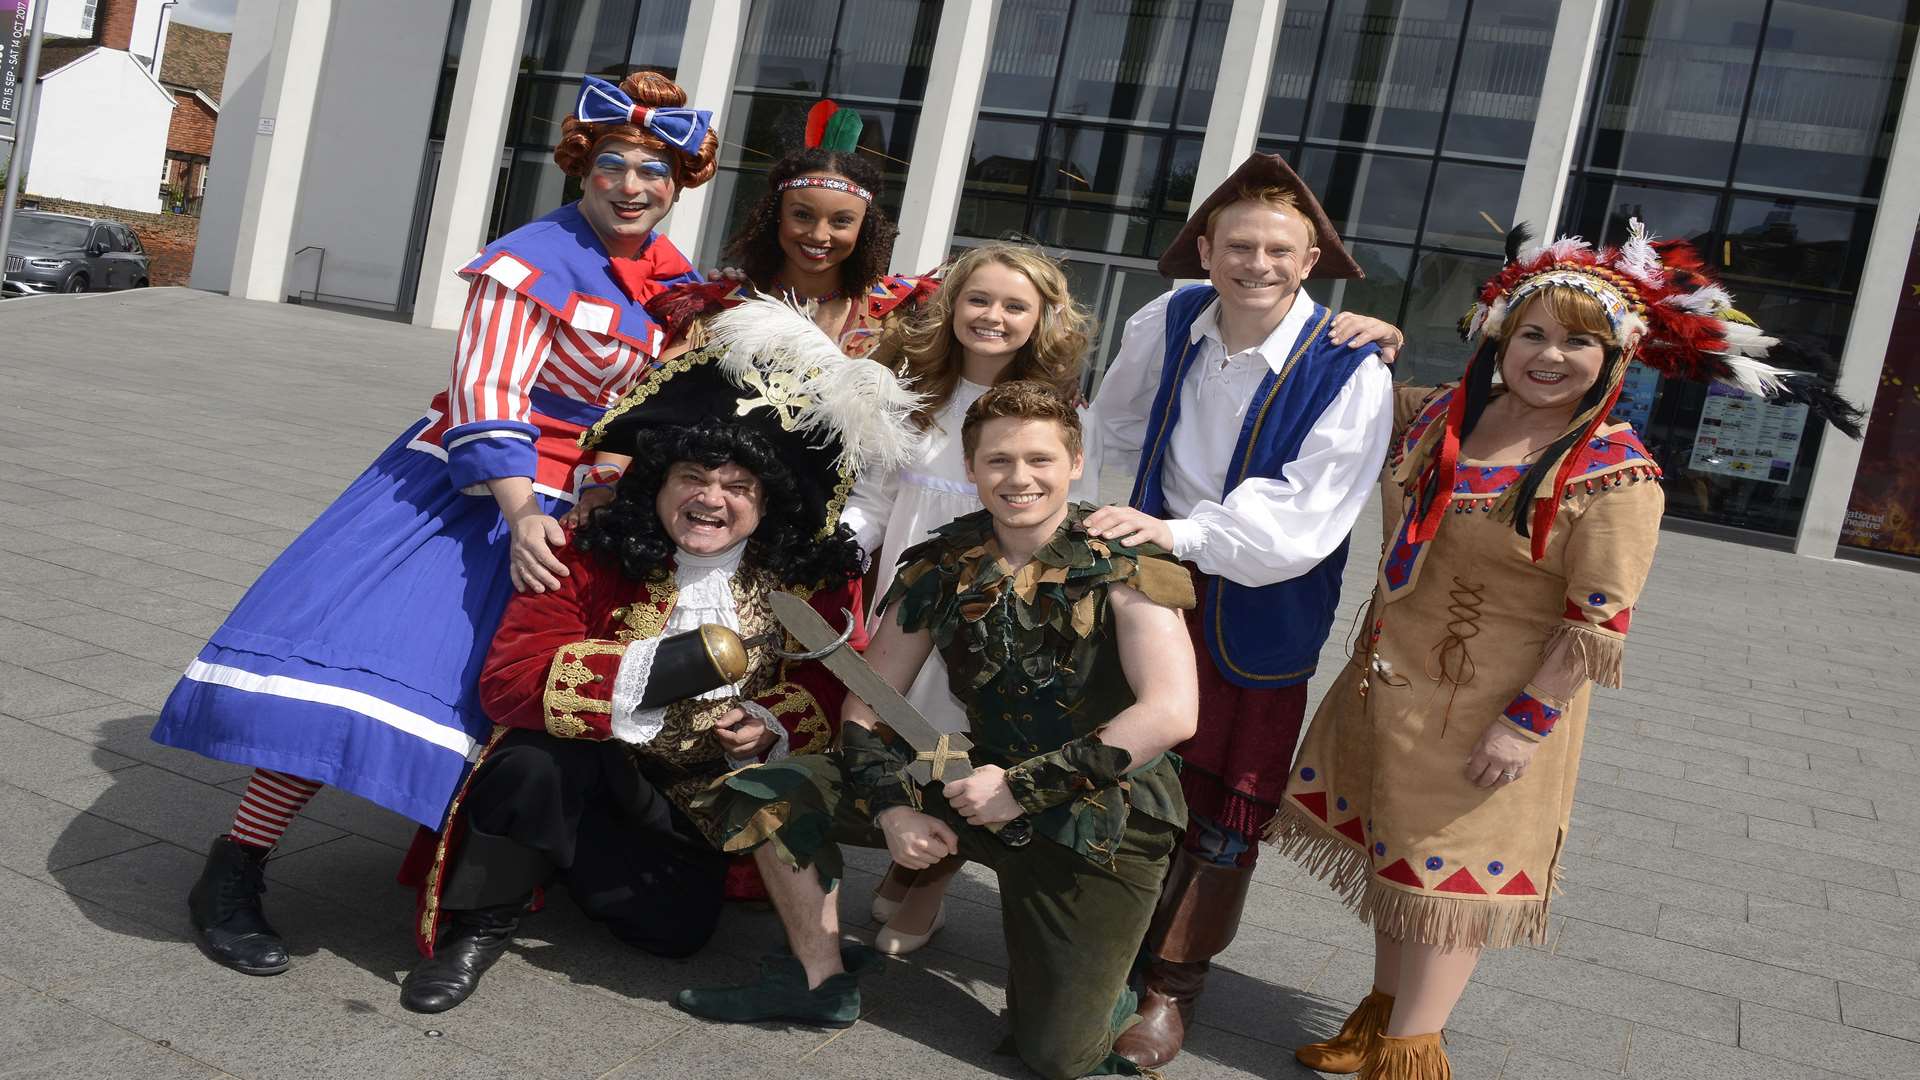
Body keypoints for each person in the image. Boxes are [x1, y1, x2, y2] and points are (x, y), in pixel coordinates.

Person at [150, 70, 718, 977]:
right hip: (475, 498)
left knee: (507, 711)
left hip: (581, 514)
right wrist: (523, 507)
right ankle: (236, 865)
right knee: (366, 672)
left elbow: (646, 407)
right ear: (582, 164)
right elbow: (485, 389)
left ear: (679, 182)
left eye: (655, 170)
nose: (633, 186)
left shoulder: (673, 281)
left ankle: (475, 886)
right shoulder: (533, 257)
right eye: (614, 162)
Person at [1268, 222, 1864, 1078]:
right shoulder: (1448, 413)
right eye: (1534, 333)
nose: (1550, 356)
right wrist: (1379, 338)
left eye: (1579, 341)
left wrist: (1524, 725)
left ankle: (1409, 1056)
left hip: (1487, 710)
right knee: (1400, 870)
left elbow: (1597, 624)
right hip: (1388, 688)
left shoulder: (1615, 473)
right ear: (1502, 338)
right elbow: (1356, 396)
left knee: (1452, 883)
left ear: (1616, 358)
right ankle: (1378, 1022)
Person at [397, 296, 923, 1013]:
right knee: (531, 762)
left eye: (737, 487)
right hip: (580, 758)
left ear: (767, 505)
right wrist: (655, 672)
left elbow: (836, 686)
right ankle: (480, 921)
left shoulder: (807, 586)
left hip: (685, 801)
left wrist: (768, 724)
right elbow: (508, 682)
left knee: (672, 933)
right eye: (693, 480)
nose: (711, 500)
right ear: (660, 484)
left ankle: (556, 859)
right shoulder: (592, 551)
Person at [677, 382, 1200, 1079]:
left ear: (1075, 462)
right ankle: (817, 979)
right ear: (973, 468)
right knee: (769, 789)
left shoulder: (1125, 562)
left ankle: (1104, 988)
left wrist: (1021, 786)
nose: (1020, 478)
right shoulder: (944, 562)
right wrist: (892, 804)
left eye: (1040, 459)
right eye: (999, 461)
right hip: (966, 783)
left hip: (1100, 813)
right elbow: (868, 701)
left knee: (1058, 1058)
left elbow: (1170, 713)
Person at [1084, 152, 1403, 1068]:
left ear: (1310, 263)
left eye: (1277, 250)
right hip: (1146, 571)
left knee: (1226, 806)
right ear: (1207, 249)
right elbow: (1112, 420)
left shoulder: (1351, 366)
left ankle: (1169, 990)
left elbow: (1301, 521)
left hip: (1259, 599)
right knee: (1123, 766)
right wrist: (1102, 516)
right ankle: (1101, 951)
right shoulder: (1170, 315)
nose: (1255, 263)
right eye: (1237, 245)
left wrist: (1171, 533)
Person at [839, 241, 1105, 953]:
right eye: (979, 298)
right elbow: (874, 495)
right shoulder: (909, 391)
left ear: (1043, 318)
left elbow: (1076, 506)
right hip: (908, 589)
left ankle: (929, 886)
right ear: (952, 303)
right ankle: (910, 850)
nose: (993, 316)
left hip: (991, 600)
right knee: (898, 725)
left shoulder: (1060, 409)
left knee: (962, 734)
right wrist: (844, 540)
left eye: (1015, 305)